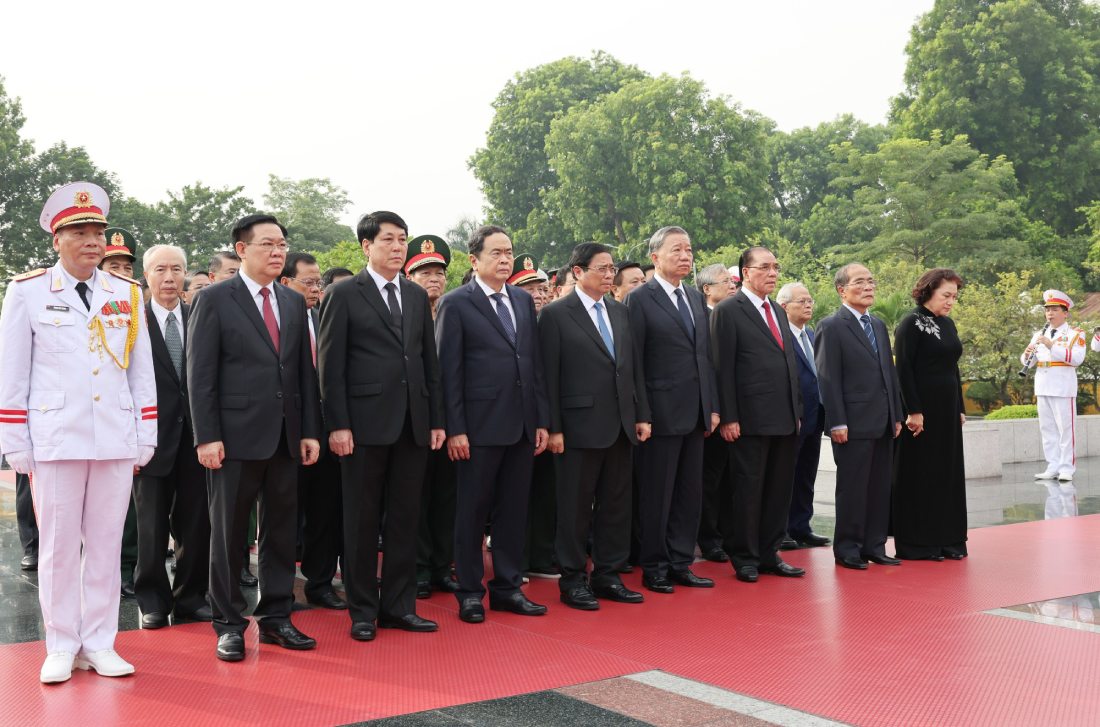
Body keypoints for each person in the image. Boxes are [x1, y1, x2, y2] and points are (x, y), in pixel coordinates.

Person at [0, 181, 156, 683]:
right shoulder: (27, 291)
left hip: (112, 434)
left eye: (98, 233)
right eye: (81, 232)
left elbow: (140, 371)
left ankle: (100, 642)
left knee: (108, 545)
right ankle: (62, 644)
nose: (93, 241)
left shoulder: (127, 293)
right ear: (57, 240)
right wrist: (14, 440)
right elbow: (12, 372)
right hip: (56, 437)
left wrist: (144, 433)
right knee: (59, 546)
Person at [187, 213, 322, 662]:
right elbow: (200, 374)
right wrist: (207, 436)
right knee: (228, 535)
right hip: (233, 438)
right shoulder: (216, 300)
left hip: (285, 435)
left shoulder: (290, 300)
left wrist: (309, 432)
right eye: (267, 244)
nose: (278, 252)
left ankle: (278, 616)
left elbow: (303, 372)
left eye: (282, 244)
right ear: (242, 250)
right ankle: (228, 623)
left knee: (281, 531)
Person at [319, 211, 445, 642]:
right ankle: (362, 611)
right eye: (388, 239)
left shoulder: (413, 295)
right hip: (362, 426)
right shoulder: (344, 294)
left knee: (405, 520)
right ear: (365, 246)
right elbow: (330, 368)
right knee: (360, 520)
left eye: (402, 239)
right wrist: (338, 424)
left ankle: (399, 606)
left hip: (412, 424)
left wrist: (435, 420)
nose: (397, 247)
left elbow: (429, 361)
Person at [435, 225, 550, 624]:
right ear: (474, 259)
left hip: (521, 424)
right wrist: (455, 428)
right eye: (497, 253)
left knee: (513, 511)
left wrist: (540, 420)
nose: (505, 259)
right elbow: (448, 372)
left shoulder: (521, 299)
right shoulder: (456, 303)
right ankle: (469, 591)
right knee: (471, 511)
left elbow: (532, 365)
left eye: (509, 252)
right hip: (477, 429)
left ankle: (507, 587)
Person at [540, 243, 651, 610]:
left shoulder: (620, 312)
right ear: (577, 272)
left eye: (611, 269)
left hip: (620, 425)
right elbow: (549, 377)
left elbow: (632, 370)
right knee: (573, 508)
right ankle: (573, 580)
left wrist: (641, 414)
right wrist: (553, 427)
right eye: (601, 269)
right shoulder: (556, 315)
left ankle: (608, 574)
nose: (608, 275)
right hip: (576, 427)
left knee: (615, 505)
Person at [626, 226, 719, 594]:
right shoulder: (641, 298)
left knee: (688, 492)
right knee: (657, 493)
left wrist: (711, 407)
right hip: (659, 414)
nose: (686, 256)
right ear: (655, 257)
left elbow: (704, 357)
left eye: (689, 250)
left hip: (695, 412)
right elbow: (635, 361)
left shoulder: (695, 298)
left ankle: (681, 561)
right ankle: (654, 564)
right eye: (677, 250)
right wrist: (641, 413)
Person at [711, 248, 804, 583]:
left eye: (775, 267)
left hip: (784, 417)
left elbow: (789, 364)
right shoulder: (728, 311)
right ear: (746, 272)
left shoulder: (777, 312)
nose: (772, 272)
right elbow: (722, 368)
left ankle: (769, 552)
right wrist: (729, 417)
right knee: (747, 491)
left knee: (778, 491)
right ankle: (745, 556)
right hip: (748, 419)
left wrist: (797, 411)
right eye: (765, 267)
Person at [133, 244, 211, 628]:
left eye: (177, 269)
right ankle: (152, 600)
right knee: (150, 525)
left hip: (197, 438)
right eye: (160, 269)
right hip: (149, 439)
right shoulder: (131, 321)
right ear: (145, 275)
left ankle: (191, 598)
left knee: (196, 523)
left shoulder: (200, 316)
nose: (169, 277)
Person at [814, 263, 903, 570]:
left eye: (871, 281)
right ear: (842, 290)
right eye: (860, 282)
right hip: (851, 423)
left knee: (880, 487)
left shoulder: (877, 324)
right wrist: (837, 421)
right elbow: (828, 378)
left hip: (882, 420)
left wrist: (896, 413)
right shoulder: (831, 325)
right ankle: (848, 548)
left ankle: (874, 545)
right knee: (853, 488)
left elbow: (888, 373)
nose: (869, 287)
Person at [281, 252, 346, 610]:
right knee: (284, 514)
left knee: (325, 512)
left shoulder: (324, 318)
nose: (315, 288)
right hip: (286, 432)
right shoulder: (276, 320)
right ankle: (278, 589)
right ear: (286, 282)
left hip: (324, 430)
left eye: (318, 282)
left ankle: (320, 583)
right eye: (308, 281)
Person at [893, 268, 968, 561]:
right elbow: (904, 370)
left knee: (947, 474)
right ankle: (919, 543)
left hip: (947, 411)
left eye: (954, 296)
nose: (951, 301)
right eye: (945, 295)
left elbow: (953, 366)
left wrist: (959, 407)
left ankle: (948, 539)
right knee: (921, 474)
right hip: (920, 413)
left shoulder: (948, 324)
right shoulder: (910, 323)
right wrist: (913, 410)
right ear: (928, 291)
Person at [403, 236, 460, 598]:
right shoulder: (404, 312)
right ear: (409, 276)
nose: (433, 279)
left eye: (439, 272)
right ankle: (419, 568)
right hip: (415, 420)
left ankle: (443, 565)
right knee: (416, 498)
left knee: (448, 497)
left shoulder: (455, 310)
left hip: (454, 420)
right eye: (424, 272)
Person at [510, 254, 556, 578]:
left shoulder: (551, 320)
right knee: (516, 496)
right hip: (513, 420)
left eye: (541, 288)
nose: (537, 295)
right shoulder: (510, 320)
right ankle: (517, 558)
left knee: (545, 491)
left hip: (547, 420)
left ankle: (540, 554)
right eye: (529, 288)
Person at [100, 227, 140, 598]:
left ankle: (130, 567)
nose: (122, 272)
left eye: (127, 266)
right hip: (97, 419)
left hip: (131, 419)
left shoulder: (135, 302)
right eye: (114, 265)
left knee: (132, 507)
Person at [776, 282, 830, 550]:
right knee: (787, 474)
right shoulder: (780, 336)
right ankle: (781, 529)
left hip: (816, 415)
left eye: (810, 300)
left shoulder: (810, 334)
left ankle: (801, 526)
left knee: (807, 474)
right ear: (784, 306)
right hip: (792, 416)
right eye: (802, 301)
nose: (808, 305)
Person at [1022, 290, 1086, 481]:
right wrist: (1026, 355)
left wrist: (1051, 345)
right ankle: (1053, 465)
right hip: (1042, 385)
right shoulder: (1038, 334)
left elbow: (1076, 359)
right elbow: (1029, 361)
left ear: (1065, 312)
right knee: (1047, 429)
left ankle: (1067, 468)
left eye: (1055, 309)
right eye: (1047, 310)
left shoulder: (1075, 334)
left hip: (1062, 387)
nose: (1050, 313)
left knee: (1066, 430)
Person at [695, 263, 735, 563]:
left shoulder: (736, 316)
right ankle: (708, 538)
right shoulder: (700, 318)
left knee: (729, 479)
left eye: (734, 281)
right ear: (707, 288)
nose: (733, 285)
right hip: (710, 414)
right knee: (708, 479)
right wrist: (715, 410)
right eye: (726, 281)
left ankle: (727, 533)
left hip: (735, 413)